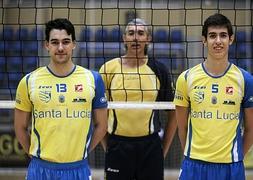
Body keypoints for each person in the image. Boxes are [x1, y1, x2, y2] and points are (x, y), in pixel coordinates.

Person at [14, 18, 108, 180]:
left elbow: (102, 125)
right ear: (47, 45)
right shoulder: (29, 81)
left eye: (66, 42)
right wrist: (37, 157)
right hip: (40, 169)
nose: (60, 47)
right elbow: (20, 127)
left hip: (78, 168)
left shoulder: (93, 79)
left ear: (74, 44)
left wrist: (82, 151)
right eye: (55, 42)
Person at [173, 13, 253, 180]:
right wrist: (193, 154)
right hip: (194, 165)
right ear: (204, 40)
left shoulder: (245, 80)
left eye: (223, 35)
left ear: (231, 39)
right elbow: (182, 128)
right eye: (212, 36)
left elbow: (251, 129)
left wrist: (236, 158)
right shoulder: (186, 78)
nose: (218, 41)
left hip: (232, 167)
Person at [99, 18, 177, 180]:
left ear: (148, 38)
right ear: (124, 38)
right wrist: (109, 147)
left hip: (151, 146)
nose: (135, 37)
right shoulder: (108, 69)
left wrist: (162, 150)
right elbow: (98, 113)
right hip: (117, 145)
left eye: (141, 33)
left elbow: (173, 113)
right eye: (131, 33)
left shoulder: (159, 70)